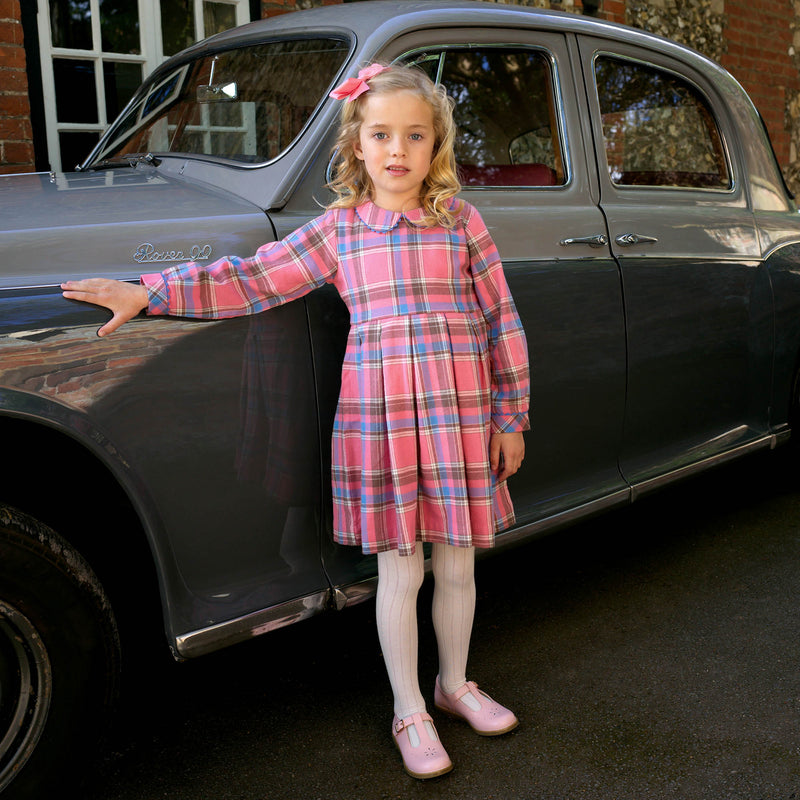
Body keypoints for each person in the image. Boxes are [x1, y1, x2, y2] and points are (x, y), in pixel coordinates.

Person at [62, 63, 530, 780]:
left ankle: (455, 683)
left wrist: (511, 415)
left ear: (436, 144)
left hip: (461, 417)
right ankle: (410, 708)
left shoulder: (461, 222)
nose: (398, 149)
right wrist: (150, 291)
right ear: (358, 143)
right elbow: (253, 278)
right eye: (382, 134)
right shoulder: (341, 230)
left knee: (459, 564)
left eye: (415, 135)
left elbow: (502, 319)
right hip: (384, 422)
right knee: (401, 570)